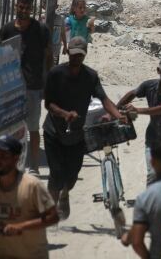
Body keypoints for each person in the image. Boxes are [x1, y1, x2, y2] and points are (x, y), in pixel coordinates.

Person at [43, 36, 126, 220]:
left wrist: (119, 115)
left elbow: (104, 100)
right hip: (53, 132)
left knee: (72, 176)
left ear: (85, 55)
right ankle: (50, 212)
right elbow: (48, 104)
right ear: (68, 53)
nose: (76, 58)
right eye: (73, 54)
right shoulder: (55, 73)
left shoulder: (91, 76)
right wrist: (65, 114)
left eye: (80, 55)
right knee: (56, 174)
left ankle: (65, 194)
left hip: (77, 134)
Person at [0, 0, 52, 175]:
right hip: (10, 88)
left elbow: (48, 57)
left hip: (33, 86)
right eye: (21, 7)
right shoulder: (6, 30)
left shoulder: (41, 30)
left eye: (27, 8)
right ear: (16, 6)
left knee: (33, 128)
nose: (23, 11)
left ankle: (34, 166)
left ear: (32, 9)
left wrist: (47, 83)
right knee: (11, 130)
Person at [116, 53, 161, 185]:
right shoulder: (149, 85)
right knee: (153, 175)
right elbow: (132, 93)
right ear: (158, 70)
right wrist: (115, 110)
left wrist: (138, 110)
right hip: (153, 139)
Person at [0, 136, 58, 259]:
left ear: (16, 158)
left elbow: (53, 217)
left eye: (3, 157)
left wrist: (20, 227)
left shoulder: (32, 185)